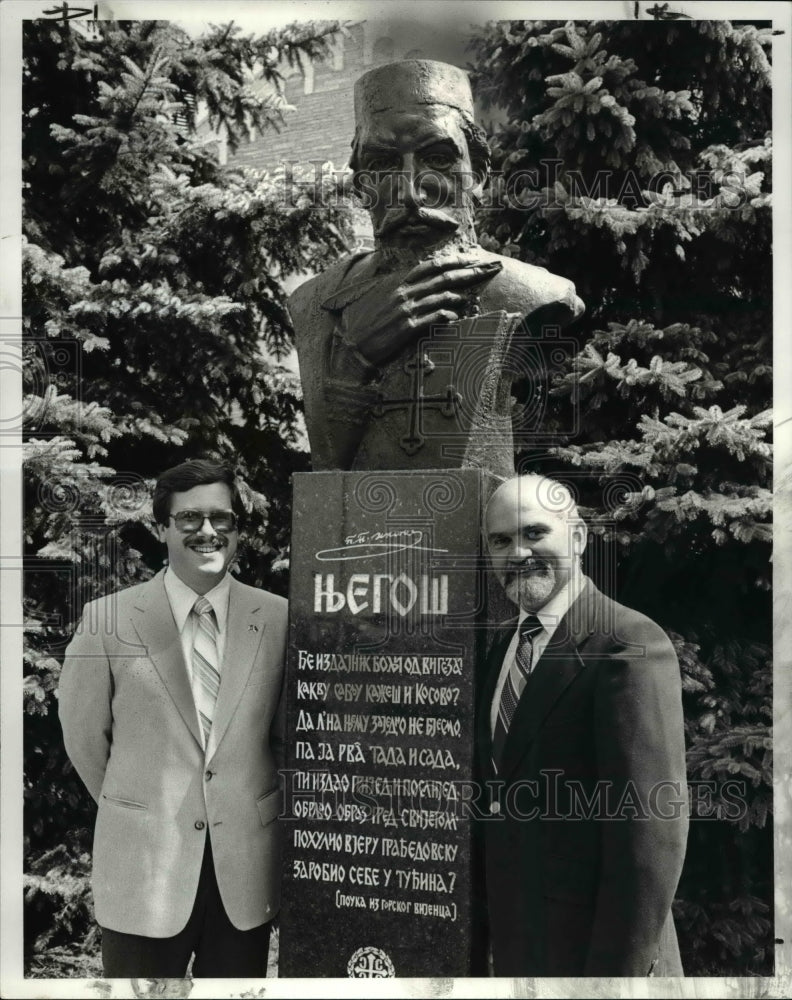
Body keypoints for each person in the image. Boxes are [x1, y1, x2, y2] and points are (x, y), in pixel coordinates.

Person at [289, 59, 584, 472]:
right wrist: (352, 362)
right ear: (361, 186)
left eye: (438, 158)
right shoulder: (313, 303)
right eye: (383, 165)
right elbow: (327, 472)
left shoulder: (532, 293)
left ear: (478, 174)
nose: (411, 192)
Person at [59, 459, 287, 977]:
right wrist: (141, 805)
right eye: (189, 519)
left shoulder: (277, 618)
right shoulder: (107, 621)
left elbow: (284, 739)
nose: (208, 532)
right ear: (162, 528)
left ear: (235, 529)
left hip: (245, 873)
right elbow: (84, 739)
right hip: (144, 871)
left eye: (221, 519)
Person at [477, 473, 688, 976]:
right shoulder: (502, 648)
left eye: (534, 533)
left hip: (596, 959)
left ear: (577, 538)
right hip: (520, 951)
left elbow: (649, 839)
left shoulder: (628, 642)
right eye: (501, 540)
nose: (518, 553)